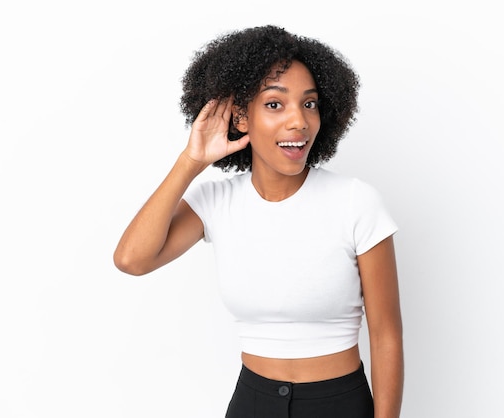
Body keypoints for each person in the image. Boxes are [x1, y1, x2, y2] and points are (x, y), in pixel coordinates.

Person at [113, 25, 403, 418]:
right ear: (240, 118)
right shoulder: (216, 201)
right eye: (274, 104)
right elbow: (132, 259)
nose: (299, 121)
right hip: (252, 401)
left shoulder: (355, 202)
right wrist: (191, 162)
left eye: (310, 104)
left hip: (337, 403)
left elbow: (386, 335)